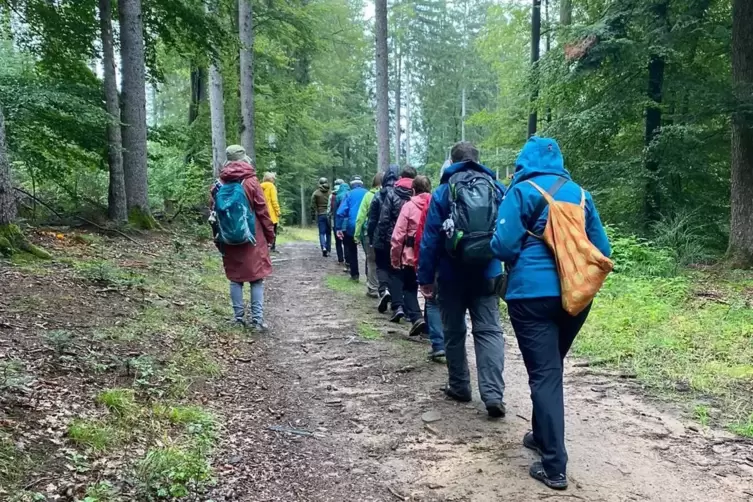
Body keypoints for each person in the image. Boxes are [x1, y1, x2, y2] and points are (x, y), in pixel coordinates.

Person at [490, 137, 611, 491]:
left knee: (544, 375)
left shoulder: (522, 191)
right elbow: (602, 250)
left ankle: (554, 465)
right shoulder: (581, 194)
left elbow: (503, 245)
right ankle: (541, 436)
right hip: (575, 297)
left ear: (524, 160)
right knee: (550, 369)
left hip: (531, 295)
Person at [417, 141, 506, 419]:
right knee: (489, 331)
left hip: (451, 275)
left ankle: (459, 386)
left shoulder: (443, 192)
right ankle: (493, 394)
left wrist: (425, 277)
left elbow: (430, 238)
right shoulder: (496, 188)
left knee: (453, 331)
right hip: (487, 272)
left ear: (452, 161)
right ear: (478, 160)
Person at [210, 145, 275, 331]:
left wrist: (218, 239)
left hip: (228, 238)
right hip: (252, 237)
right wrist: (270, 235)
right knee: (256, 279)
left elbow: (214, 214)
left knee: (235, 279)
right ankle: (257, 321)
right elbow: (262, 211)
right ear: (244, 159)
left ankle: (238, 319)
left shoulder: (218, 184)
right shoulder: (251, 182)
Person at [374, 165, 417, 322]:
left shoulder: (392, 193)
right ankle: (409, 310)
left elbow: (384, 219)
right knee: (411, 275)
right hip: (413, 241)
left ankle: (397, 306)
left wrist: (380, 239)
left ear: (401, 177)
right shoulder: (417, 193)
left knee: (395, 273)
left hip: (393, 238)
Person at [390, 175, 431, 336]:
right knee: (430, 290)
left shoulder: (408, 206)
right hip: (429, 255)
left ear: (413, 189)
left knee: (409, 288)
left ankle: (416, 317)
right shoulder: (435, 204)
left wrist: (395, 258)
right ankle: (428, 327)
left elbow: (398, 235)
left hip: (410, 256)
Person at [413, 180, 445, 362]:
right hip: (477, 266)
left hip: (440, 263)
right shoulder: (490, 188)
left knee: (432, 302)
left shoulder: (438, 199)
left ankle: (439, 346)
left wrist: (422, 271)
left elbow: (423, 238)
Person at [367, 165, 398, 311]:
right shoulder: (402, 194)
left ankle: (384, 290)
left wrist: (371, 236)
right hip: (398, 237)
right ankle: (396, 298)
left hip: (380, 236)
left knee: (381, 265)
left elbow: (372, 219)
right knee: (394, 268)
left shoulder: (378, 195)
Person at [355, 172, 383, 297]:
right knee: (384, 262)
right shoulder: (390, 193)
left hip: (369, 232)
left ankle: (373, 288)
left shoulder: (368, 196)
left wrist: (356, 234)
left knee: (371, 260)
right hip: (385, 233)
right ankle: (384, 288)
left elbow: (361, 216)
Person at [336, 176, 368, 281]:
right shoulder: (368, 193)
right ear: (361, 184)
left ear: (352, 185)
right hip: (366, 225)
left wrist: (339, 227)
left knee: (352, 250)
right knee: (368, 252)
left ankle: (355, 275)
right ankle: (370, 278)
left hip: (351, 225)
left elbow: (340, 212)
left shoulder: (348, 194)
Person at [260, 172, 282, 253]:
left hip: (262, 212)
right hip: (271, 212)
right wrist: (278, 211)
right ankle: (272, 247)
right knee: (273, 230)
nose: (274, 180)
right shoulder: (271, 186)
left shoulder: (260, 186)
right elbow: (274, 200)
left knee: (263, 230)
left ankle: (264, 247)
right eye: (273, 178)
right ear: (271, 179)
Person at [311, 177, 331, 257]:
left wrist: (313, 216)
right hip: (329, 215)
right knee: (328, 233)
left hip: (321, 214)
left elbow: (312, 206)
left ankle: (323, 247)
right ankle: (328, 249)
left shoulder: (316, 193)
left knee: (322, 233)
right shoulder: (331, 192)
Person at [330, 179, 348, 266]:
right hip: (347, 222)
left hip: (336, 220)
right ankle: (347, 260)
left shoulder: (334, 196)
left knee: (338, 242)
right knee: (346, 242)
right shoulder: (349, 195)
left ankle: (340, 259)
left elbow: (333, 210)